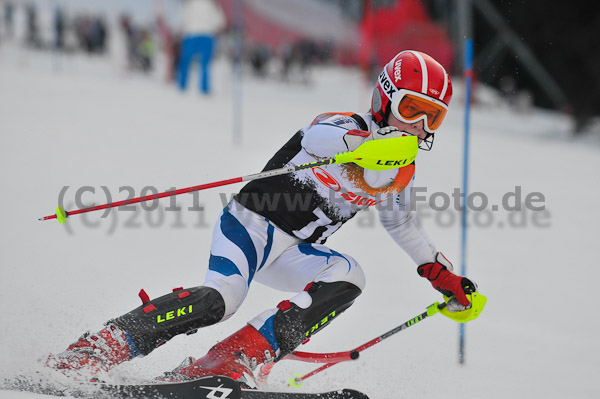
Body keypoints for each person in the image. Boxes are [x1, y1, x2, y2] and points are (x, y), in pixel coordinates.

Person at [47, 50, 478, 386]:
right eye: (411, 109)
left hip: (298, 251)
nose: (419, 125)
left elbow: (400, 223)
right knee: (222, 301)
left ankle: (234, 358)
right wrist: (360, 145)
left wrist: (440, 274)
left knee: (350, 276)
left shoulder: (400, 171)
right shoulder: (345, 128)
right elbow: (316, 134)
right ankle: (101, 347)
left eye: (432, 116)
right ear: (385, 99)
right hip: (251, 227)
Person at [175, 0, 225, 94]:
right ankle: (204, 88)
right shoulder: (211, 4)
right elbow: (220, 21)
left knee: (185, 61)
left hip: (191, 34)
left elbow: (182, 20)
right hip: (207, 35)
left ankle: (182, 86)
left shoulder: (189, 4)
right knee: (205, 64)